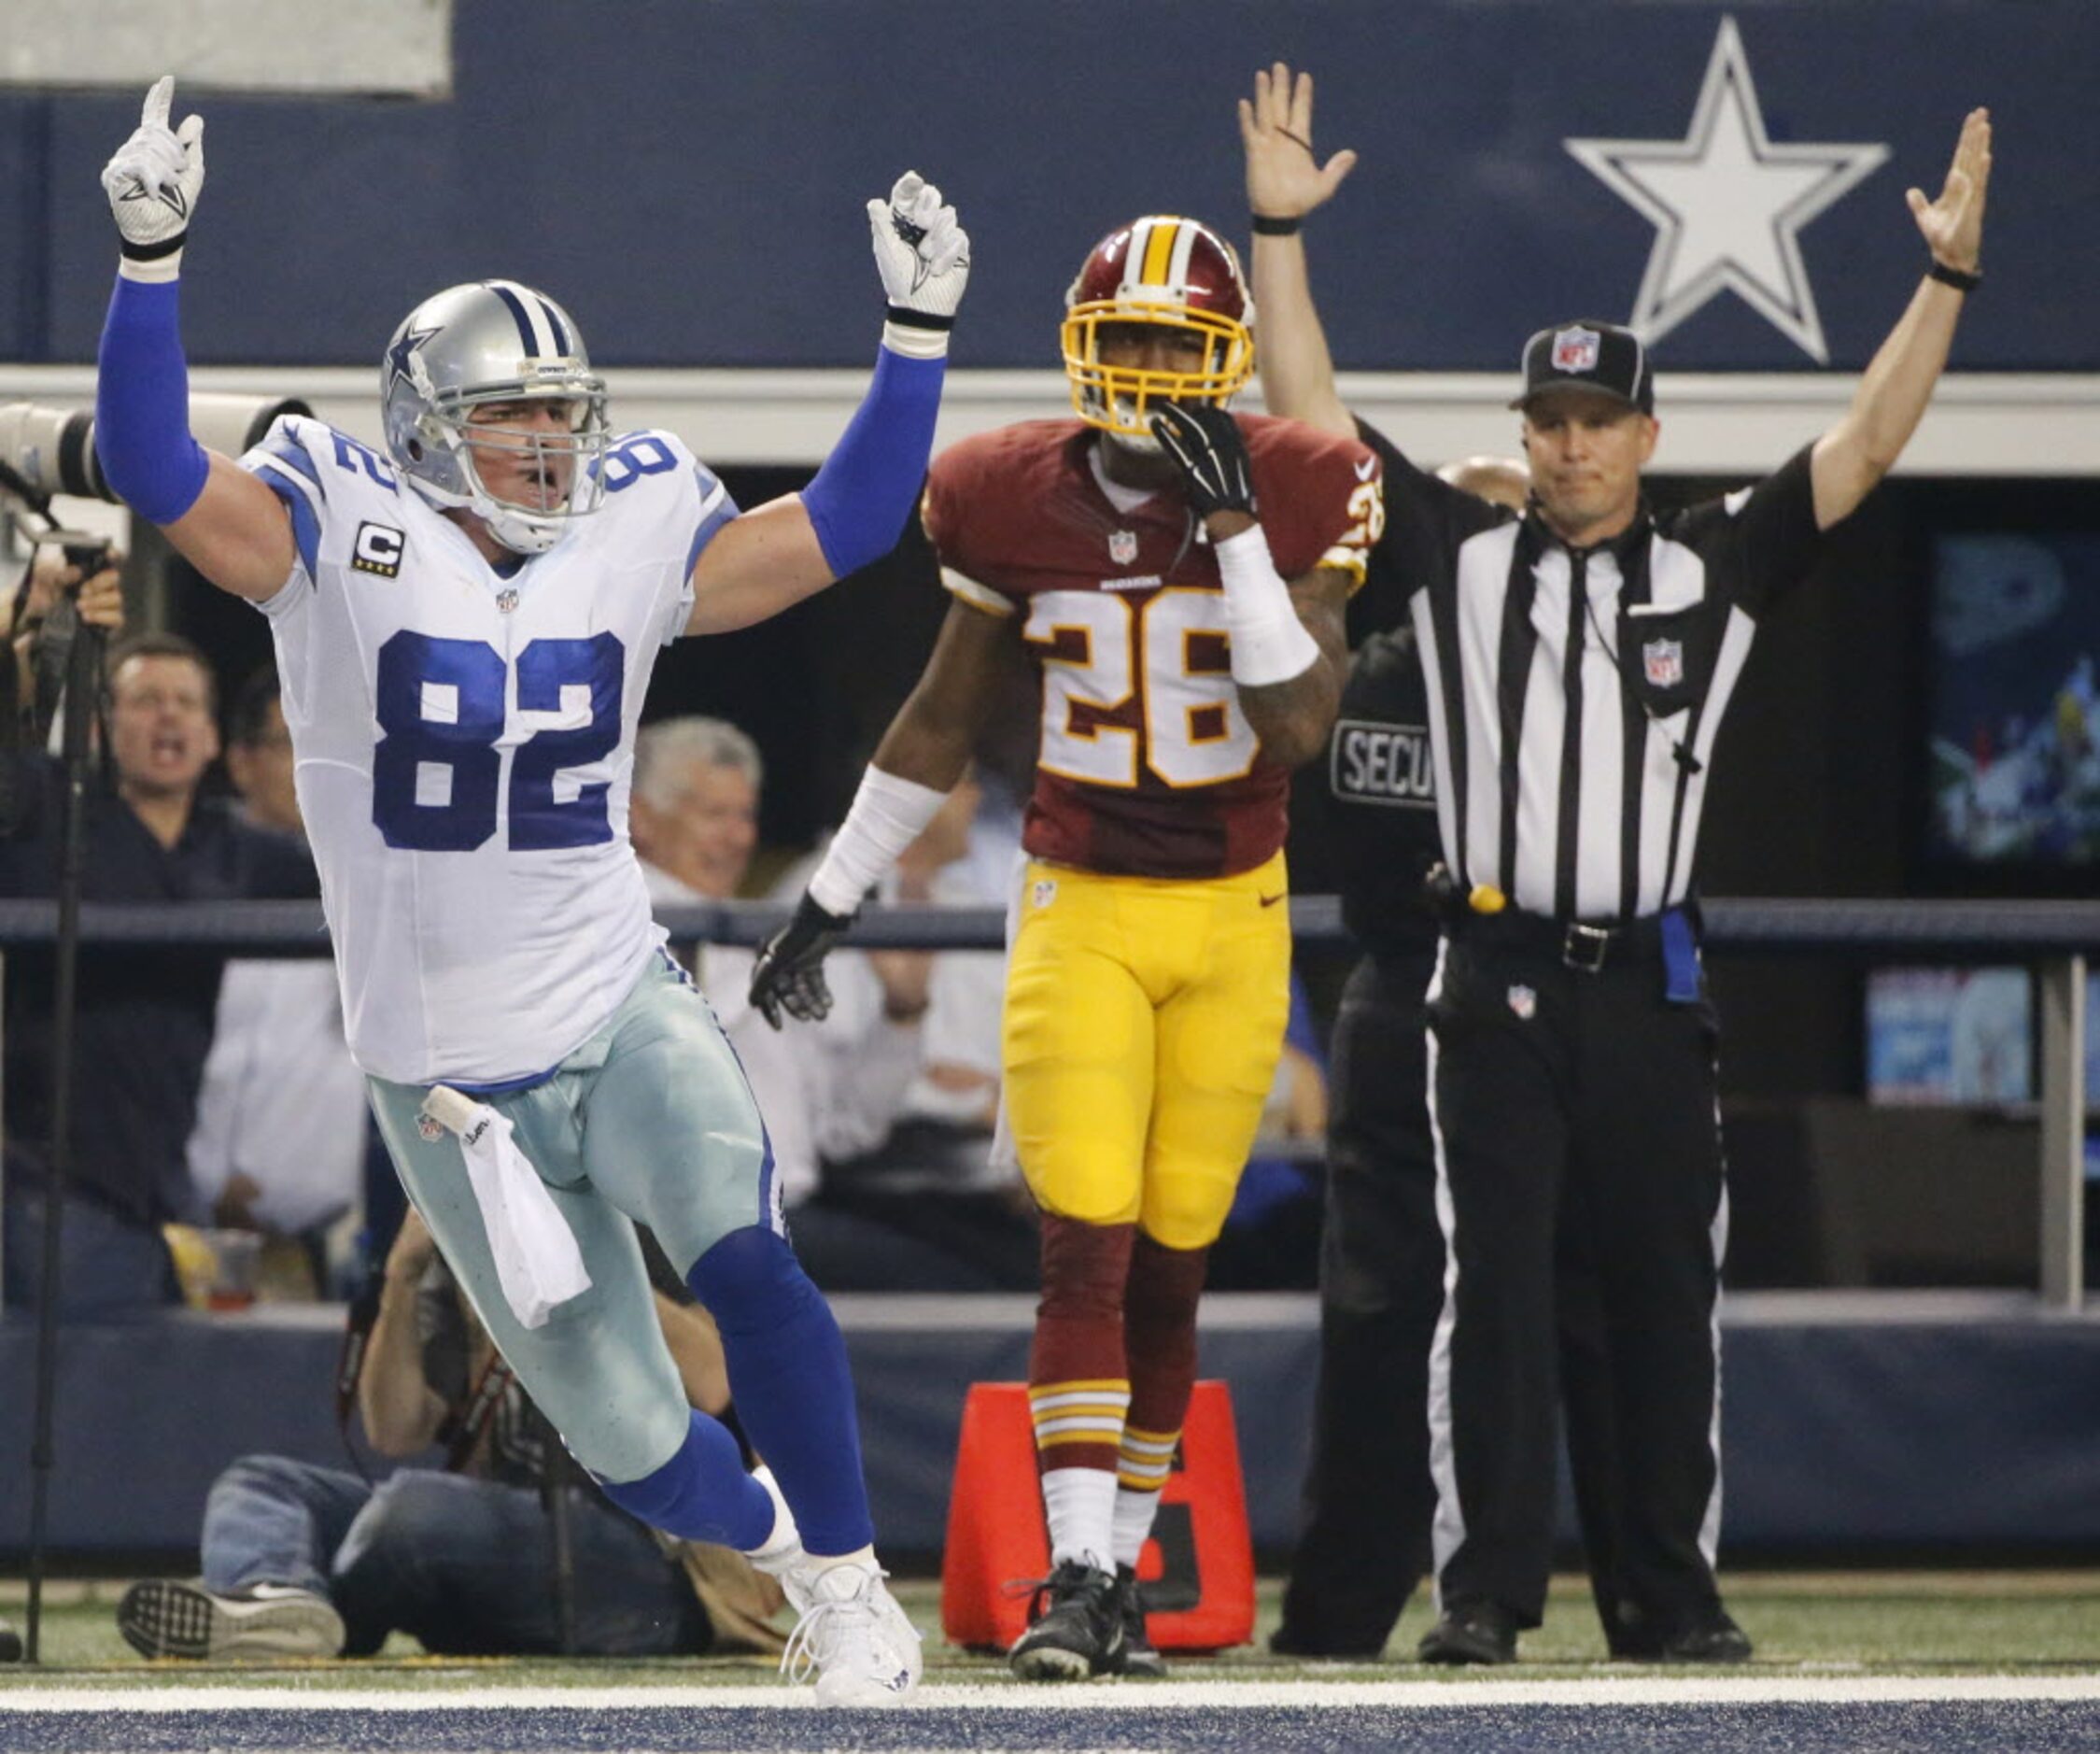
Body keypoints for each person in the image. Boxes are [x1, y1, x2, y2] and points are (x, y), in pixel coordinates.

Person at [91, 74, 970, 1704]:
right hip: (447, 1082)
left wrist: (915, 334)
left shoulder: (629, 519)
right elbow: (151, 463)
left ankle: (851, 1589)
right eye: (521, 417)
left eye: (568, 413)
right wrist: (151, 260)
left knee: (744, 1249)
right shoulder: (327, 521)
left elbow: (845, 524)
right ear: (430, 422)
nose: (555, 443)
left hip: (611, 993)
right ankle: (783, 1549)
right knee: (628, 1433)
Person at [1242, 62, 1991, 1663]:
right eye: (1549, 424)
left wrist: (1942, 278)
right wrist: (1276, 235)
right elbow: (1306, 414)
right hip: (1490, 972)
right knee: (1487, 1297)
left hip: (1648, 979)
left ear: (1643, 434)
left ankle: (1666, 1587)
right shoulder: (1444, 555)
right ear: (1522, 434)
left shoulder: (1709, 564)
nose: (1570, 449)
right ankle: (1486, 1592)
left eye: (1595, 424)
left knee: (1661, 1293)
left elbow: (1861, 443)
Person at [751, 211, 1383, 1679]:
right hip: (1081, 899)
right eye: (1134, 342)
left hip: (1236, 912)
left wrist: (1229, 534)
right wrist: (833, 893)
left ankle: (1120, 1573)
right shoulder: (1000, 492)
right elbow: (942, 714)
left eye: (1182, 345)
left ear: (1221, 361)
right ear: (1086, 354)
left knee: (1173, 1259)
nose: (1156, 370)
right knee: (1080, 1244)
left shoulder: (1299, 482)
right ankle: (1081, 1574)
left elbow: (1295, 727)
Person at [116, 1208, 784, 1662]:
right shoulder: (465, 1242)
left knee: (408, 1515)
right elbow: (394, 1429)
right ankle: (275, 1600)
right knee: (263, 1483)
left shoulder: (635, 1214)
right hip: (498, 1537)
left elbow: (718, 1380)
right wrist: (403, 1277)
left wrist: (577, 1250)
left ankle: (304, 1611)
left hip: (656, 1560)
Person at [0, 627, 317, 1317]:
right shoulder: (49, 818)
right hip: (46, 1189)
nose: (168, 715)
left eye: (186, 703)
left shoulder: (233, 849)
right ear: (101, 725)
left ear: (210, 739)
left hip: (163, 1197)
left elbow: (366, 879)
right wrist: (28, 631)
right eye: (146, 700)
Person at [186, 667, 368, 1294]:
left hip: (328, 1249)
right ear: (240, 762)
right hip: (177, 1229)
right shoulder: (187, 880)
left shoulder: (380, 889)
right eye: (295, 743)